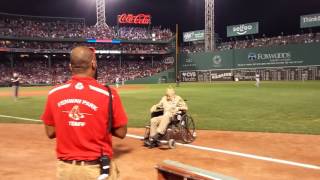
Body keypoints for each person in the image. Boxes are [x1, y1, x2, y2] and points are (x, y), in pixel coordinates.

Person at [41, 46, 128, 180]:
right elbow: (121, 132)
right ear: (93, 64)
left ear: (70, 66)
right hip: (97, 170)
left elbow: (50, 132)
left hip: (66, 170)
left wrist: (72, 124)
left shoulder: (54, 93)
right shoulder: (108, 94)